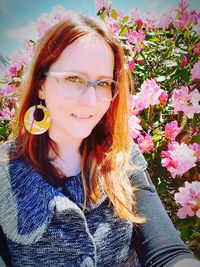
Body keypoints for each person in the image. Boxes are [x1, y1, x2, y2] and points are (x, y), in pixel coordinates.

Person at [0, 11, 199, 267]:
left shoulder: (121, 155)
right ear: (41, 84)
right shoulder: (5, 171)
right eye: (73, 79)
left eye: (103, 83)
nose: (91, 101)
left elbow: (167, 253)